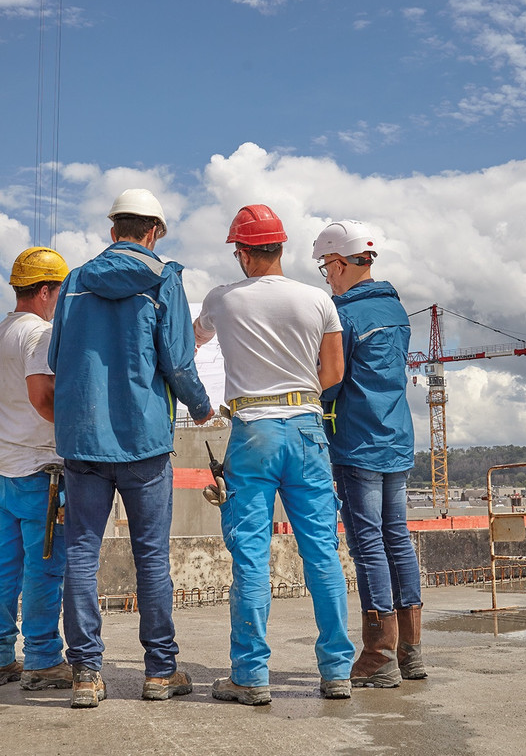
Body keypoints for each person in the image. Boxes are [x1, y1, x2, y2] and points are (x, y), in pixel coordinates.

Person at [49, 188, 214, 709]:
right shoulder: (165, 278)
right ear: (155, 231)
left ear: (112, 227)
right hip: (143, 440)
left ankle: (86, 674)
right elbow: (179, 361)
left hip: (83, 439)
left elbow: (56, 356)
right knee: (151, 557)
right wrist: (201, 405)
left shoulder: (75, 281)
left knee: (80, 552)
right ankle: (160, 674)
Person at [194, 204, 356, 706]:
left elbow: (193, 340)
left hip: (253, 430)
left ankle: (251, 675)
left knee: (251, 555)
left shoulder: (223, 299)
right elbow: (333, 374)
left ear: (242, 251)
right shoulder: (318, 301)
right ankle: (335, 672)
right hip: (307, 428)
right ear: (282, 247)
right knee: (322, 553)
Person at [313, 221, 426, 687]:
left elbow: (333, 378)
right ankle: (410, 651)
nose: (327, 277)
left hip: (358, 441)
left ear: (341, 262)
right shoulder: (396, 309)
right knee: (396, 538)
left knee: (368, 544)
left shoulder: (344, 315)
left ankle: (379, 655)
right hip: (396, 435)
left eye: (326, 268)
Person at [0, 246, 73, 691]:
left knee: (5, 565)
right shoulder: (39, 333)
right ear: (45, 291)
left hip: (4, 466)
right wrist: (81, 429)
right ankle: (42, 658)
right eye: (60, 292)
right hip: (40, 468)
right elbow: (43, 398)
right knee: (44, 567)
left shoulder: (1, 331)